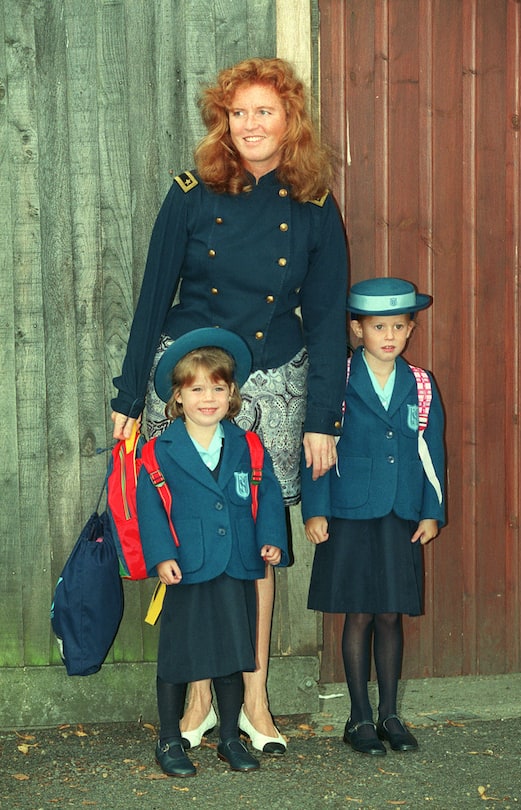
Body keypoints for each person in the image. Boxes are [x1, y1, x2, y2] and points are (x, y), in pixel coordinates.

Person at [110, 56, 348, 752]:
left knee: (256, 546)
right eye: (237, 112)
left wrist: (322, 418)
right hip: (193, 378)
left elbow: (329, 316)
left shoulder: (314, 205)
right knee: (184, 537)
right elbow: (153, 297)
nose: (249, 124)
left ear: (290, 121)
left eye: (264, 111)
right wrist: (130, 393)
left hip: (275, 380)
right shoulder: (191, 193)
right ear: (224, 119)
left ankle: (252, 698)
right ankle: (192, 700)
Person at [301, 277, 446, 756]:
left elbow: (432, 453)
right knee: (358, 614)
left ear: (409, 331)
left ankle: (390, 714)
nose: (389, 336)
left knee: (390, 614)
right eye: (378, 326)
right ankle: (358, 717)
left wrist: (432, 511)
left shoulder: (420, 385)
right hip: (348, 514)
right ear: (358, 328)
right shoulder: (337, 381)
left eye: (399, 327)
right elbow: (318, 448)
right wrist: (316, 509)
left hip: (400, 514)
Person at [137, 328, 289, 776]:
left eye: (217, 388)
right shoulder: (158, 452)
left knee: (232, 653)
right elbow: (150, 510)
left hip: (238, 563)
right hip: (185, 566)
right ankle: (169, 740)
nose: (208, 398)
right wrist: (162, 555)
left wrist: (271, 538)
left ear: (231, 395)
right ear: (178, 398)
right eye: (196, 388)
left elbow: (269, 494)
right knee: (180, 655)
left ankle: (228, 738)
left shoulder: (248, 446)